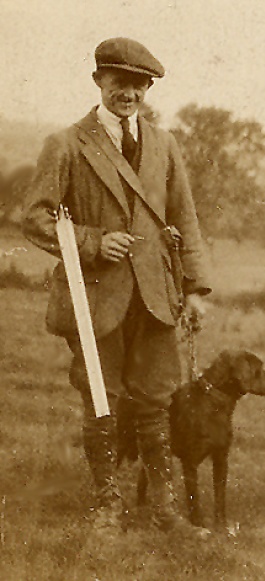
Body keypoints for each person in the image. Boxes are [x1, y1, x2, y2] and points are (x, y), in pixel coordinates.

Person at [21, 37, 211, 539]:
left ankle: (165, 510)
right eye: (119, 82)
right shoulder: (65, 144)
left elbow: (185, 218)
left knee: (155, 400)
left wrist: (194, 289)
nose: (129, 93)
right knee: (101, 400)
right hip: (95, 296)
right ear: (99, 82)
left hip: (154, 296)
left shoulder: (164, 144)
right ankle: (107, 504)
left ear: (147, 88)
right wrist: (91, 242)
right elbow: (35, 218)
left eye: (138, 84)